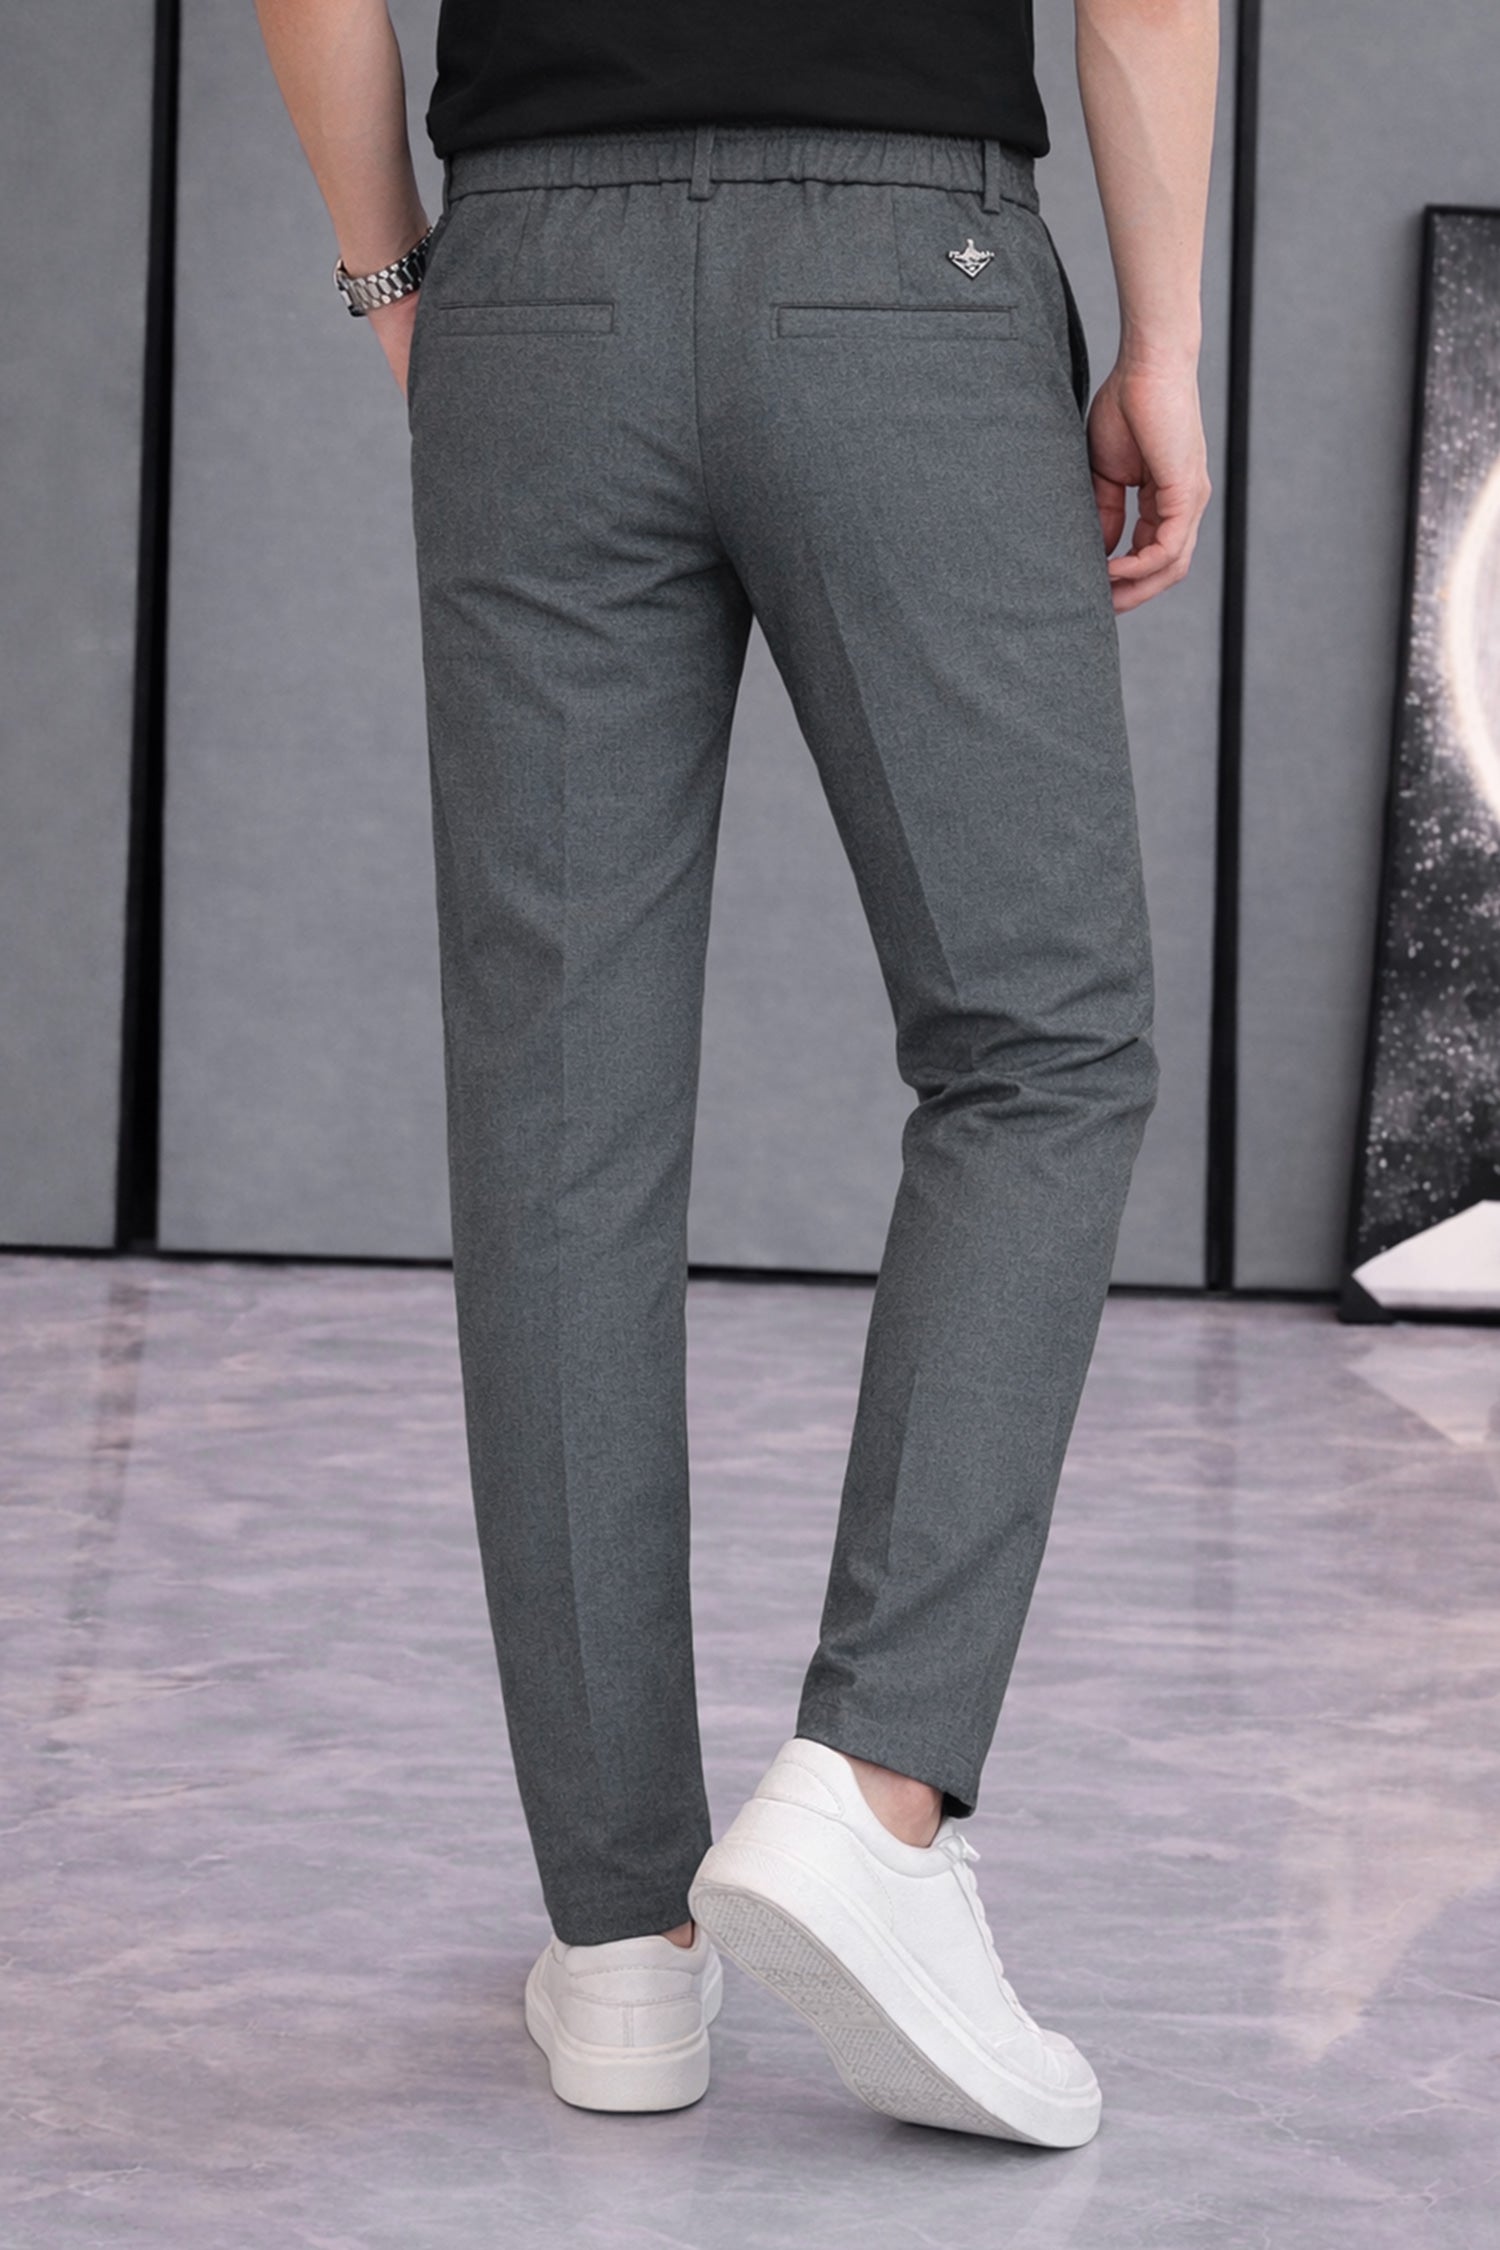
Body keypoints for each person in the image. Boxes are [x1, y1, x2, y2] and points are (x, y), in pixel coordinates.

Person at [256, 0, 1215, 2147]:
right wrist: (1159, 336)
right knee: (1042, 1039)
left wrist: (402, 274)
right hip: (905, 277)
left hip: (535, 292)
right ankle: (873, 1790)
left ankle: (619, 1945)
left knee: (556, 1115)